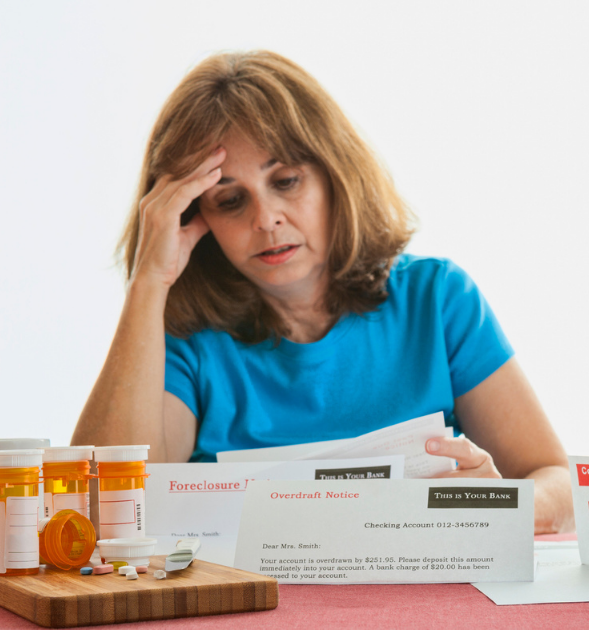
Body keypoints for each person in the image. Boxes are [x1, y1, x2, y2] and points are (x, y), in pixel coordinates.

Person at [72, 50, 573, 534]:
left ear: (337, 176)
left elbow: (558, 484)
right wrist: (148, 283)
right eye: (229, 200)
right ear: (191, 219)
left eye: (286, 181)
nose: (265, 219)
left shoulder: (436, 298)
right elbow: (100, 511)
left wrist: (499, 504)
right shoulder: (185, 337)